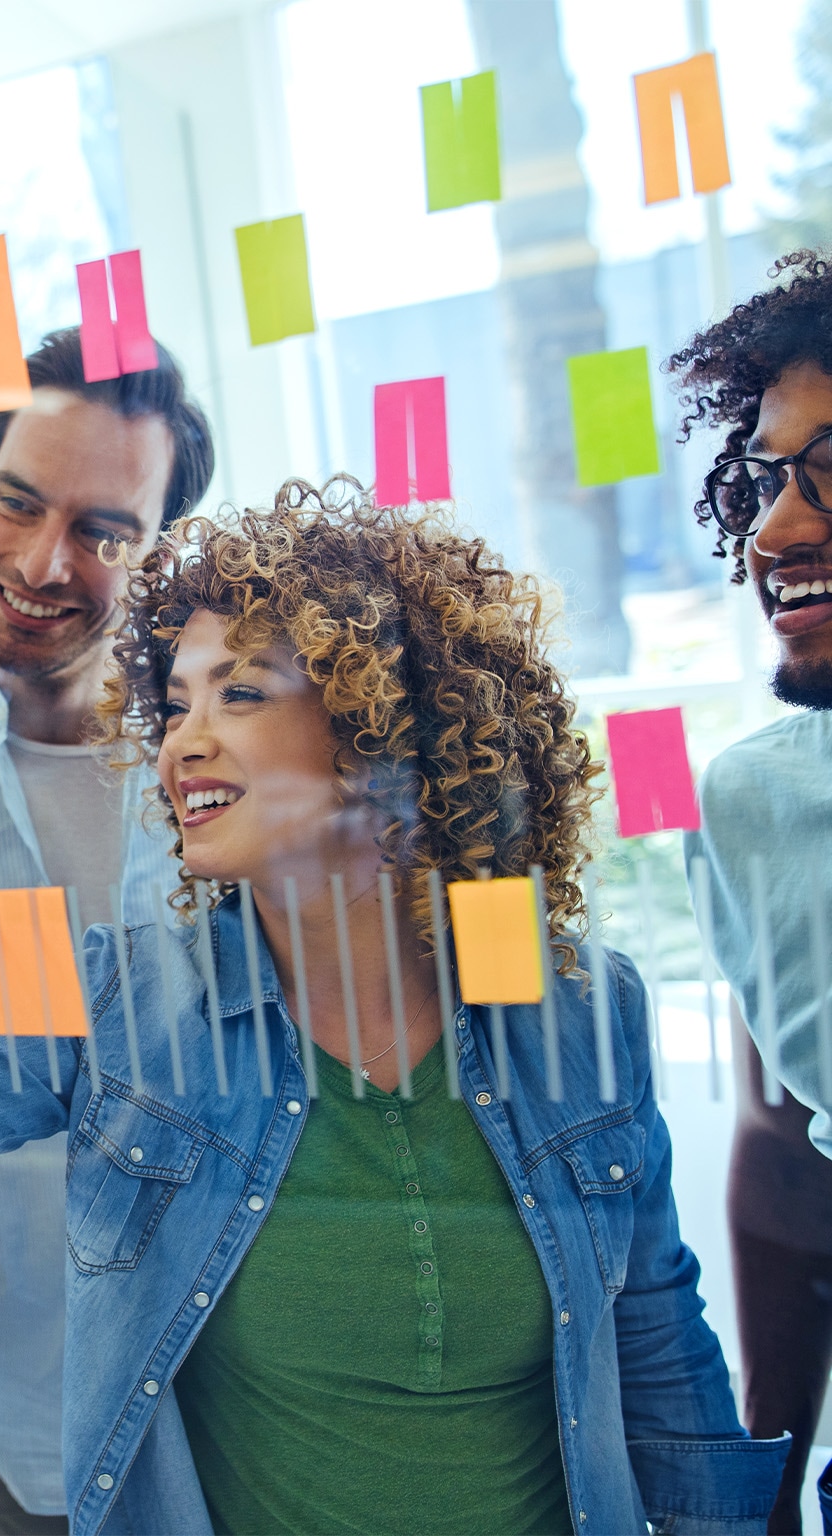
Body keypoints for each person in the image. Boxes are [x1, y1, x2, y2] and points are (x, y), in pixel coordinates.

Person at [0, 479, 787, 1535]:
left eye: (240, 695)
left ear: (382, 733)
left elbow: (659, 1357)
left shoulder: (573, 1007)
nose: (183, 740)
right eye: (175, 701)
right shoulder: (128, 1006)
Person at [0, 324, 214, 1531]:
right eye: (16, 503)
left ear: (163, 551)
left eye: (103, 531)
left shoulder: (228, 764)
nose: (41, 562)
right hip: (2, 1406)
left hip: (237, 1392)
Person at [668, 249, 832, 1533]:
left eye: (829, 471)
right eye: (767, 479)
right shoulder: (759, 807)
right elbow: (783, 1155)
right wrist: (761, 1484)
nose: (774, 531)